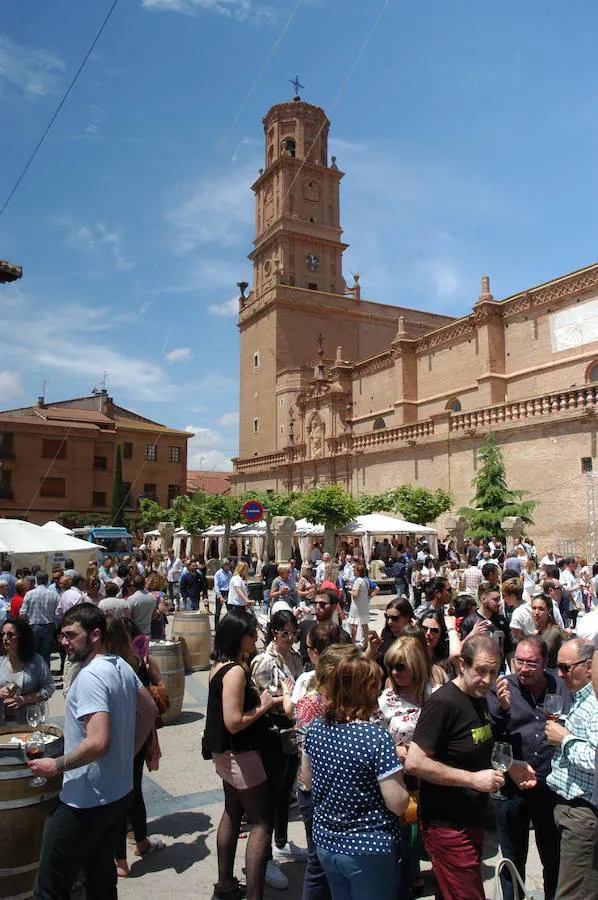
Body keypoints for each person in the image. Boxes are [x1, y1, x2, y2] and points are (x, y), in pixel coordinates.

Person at [29, 604, 157, 900]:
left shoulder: (89, 678)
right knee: (101, 881)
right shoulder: (120, 664)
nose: (63, 642)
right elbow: (149, 709)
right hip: (117, 794)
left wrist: (56, 765)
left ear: (95, 635)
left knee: (50, 887)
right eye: (61, 635)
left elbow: (98, 741)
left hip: (84, 800)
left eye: (71, 635)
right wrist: (127, 755)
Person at [405, 635, 536, 900]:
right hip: (448, 826)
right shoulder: (443, 703)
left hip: (471, 819)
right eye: (481, 671)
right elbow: (415, 762)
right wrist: (473, 780)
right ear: (462, 665)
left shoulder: (478, 696)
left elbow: (474, 747)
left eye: (493, 671)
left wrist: (511, 765)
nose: (488, 680)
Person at [302, 647, 409, 900]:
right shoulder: (375, 738)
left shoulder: (315, 729)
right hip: (368, 849)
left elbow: (306, 781)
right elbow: (398, 802)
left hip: (327, 843)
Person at [203, 609, 280, 900]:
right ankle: (254, 895)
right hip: (241, 755)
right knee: (261, 822)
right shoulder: (235, 671)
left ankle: (225, 885)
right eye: (251, 633)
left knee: (233, 811)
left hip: (224, 755)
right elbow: (233, 721)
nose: (256, 638)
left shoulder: (219, 665)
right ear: (239, 636)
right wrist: (262, 706)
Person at [487, 636, 569, 900]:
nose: (523, 668)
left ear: (545, 663)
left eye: (531, 663)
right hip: (511, 788)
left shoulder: (560, 686)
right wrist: (501, 708)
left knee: (553, 857)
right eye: (519, 661)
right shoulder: (501, 689)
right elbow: (488, 738)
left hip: (550, 786)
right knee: (512, 858)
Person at [104, 618, 164, 877]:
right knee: (134, 791)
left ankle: (120, 860)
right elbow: (157, 690)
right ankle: (141, 842)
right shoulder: (136, 663)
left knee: (117, 797)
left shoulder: (107, 667)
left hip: (115, 736)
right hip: (136, 736)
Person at [251, 610, 306, 888]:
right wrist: (285, 696)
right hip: (273, 734)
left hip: (294, 732)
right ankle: (266, 858)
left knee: (287, 792)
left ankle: (282, 842)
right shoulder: (263, 661)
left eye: (293, 633)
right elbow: (260, 698)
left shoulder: (296, 657)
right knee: (271, 795)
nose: (290, 638)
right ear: (274, 633)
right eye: (285, 633)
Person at [546, 638, 598, 899]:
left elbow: (594, 760)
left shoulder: (595, 706)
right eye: (558, 667)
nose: (560, 674)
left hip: (582, 813)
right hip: (569, 809)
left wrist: (564, 739)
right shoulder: (579, 697)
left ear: (589, 667)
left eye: (566, 668)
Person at [0, 617, 55, 724]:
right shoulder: (1, 661)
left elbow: (49, 688)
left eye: (10, 635)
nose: (5, 638)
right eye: (3, 634)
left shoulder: (36, 661)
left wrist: (24, 699)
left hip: (29, 722)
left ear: (22, 637)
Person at [460, 581, 511, 668]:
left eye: (499, 599)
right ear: (483, 599)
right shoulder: (469, 621)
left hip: (499, 672)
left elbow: (509, 651)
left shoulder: (502, 621)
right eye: (495, 600)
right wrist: (472, 634)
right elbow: (461, 650)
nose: (499, 603)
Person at [19, 571, 59, 666]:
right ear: (47, 580)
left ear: (36, 580)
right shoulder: (54, 594)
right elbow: (58, 612)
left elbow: (22, 612)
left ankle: (35, 674)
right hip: (49, 626)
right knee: (46, 653)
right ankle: (45, 675)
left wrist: (27, 622)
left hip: (34, 625)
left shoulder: (29, 594)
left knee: (33, 653)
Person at [371, 597, 414, 680]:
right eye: (387, 617)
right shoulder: (386, 633)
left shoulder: (414, 639)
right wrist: (372, 649)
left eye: (394, 618)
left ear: (407, 617)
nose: (389, 621)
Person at [419, 608, 461, 677]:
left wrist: (451, 629)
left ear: (442, 634)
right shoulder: (413, 653)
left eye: (434, 630)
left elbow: (457, 655)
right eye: (424, 629)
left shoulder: (447, 659)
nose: (428, 633)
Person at [531, 593, 564, 668]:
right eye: (534, 608)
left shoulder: (554, 631)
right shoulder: (536, 628)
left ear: (549, 611)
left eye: (541, 609)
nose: (536, 613)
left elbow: (540, 653)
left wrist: (534, 638)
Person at [348, 562, 370, 646]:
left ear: (358, 571)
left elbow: (356, 595)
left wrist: (350, 592)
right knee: (364, 624)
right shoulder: (365, 580)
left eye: (355, 570)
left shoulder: (357, 581)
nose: (353, 571)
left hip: (356, 607)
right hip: (364, 605)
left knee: (354, 625)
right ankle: (366, 642)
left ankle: (352, 643)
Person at [214, 559, 232, 627]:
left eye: (228, 565)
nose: (227, 566)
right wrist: (220, 596)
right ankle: (216, 626)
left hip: (228, 592)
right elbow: (216, 585)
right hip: (221, 592)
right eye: (226, 565)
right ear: (223, 565)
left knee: (230, 611)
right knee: (218, 612)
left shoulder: (230, 573)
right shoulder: (218, 573)